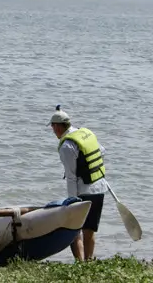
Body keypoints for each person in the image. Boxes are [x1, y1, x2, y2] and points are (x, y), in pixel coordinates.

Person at [48, 105, 107, 261]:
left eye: (53, 127)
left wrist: (72, 201)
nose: (53, 131)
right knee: (89, 231)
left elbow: (71, 177)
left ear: (58, 127)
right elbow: (101, 151)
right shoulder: (86, 133)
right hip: (100, 187)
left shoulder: (67, 146)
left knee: (74, 231)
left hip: (84, 191)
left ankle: (80, 264)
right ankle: (88, 262)